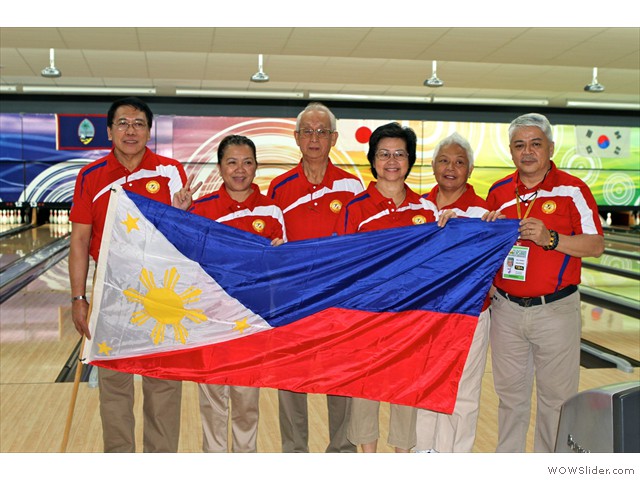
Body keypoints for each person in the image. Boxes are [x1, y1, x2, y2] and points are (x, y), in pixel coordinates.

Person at [69, 97, 200, 452]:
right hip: (113, 292)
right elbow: (80, 241)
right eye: (123, 123)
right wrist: (79, 299)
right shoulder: (90, 176)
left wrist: (184, 215)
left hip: (163, 295)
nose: (131, 130)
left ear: (149, 131)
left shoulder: (171, 172)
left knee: (163, 389)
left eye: (139, 123)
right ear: (110, 131)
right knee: (115, 389)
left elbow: (184, 238)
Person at [486, 113, 604, 452]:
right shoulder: (498, 192)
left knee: (557, 402)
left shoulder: (572, 189)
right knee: (510, 401)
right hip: (506, 310)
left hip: (554, 309)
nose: (527, 151)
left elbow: (595, 244)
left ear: (550, 148)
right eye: (519, 145)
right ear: (510, 151)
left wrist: (551, 238)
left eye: (535, 144)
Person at [339, 122, 455, 453]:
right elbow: (344, 266)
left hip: (410, 320)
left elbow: (435, 266)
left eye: (400, 154)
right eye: (384, 154)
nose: (392, 161)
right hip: (367, 318)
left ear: (410, 159)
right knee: (365, 397)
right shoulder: (355, 208)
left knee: (406, 395)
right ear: (372, 160)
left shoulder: (427, 209)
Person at [267, 102, 364, 453]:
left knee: (341, 382)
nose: (314, 138)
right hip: (292, 302)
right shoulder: (278, 188)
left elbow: (362, 244)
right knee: (292, 382)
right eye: (307, 131)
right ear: (296, 138)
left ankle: (341, 454)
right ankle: (295, 457)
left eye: (322, 132)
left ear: (334, 138)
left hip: (338, 301)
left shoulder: (352, 186)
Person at [187, 135, 286, 453]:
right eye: (232, 162)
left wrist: (280, 255)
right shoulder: (200, 210)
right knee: (213, 405)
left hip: (251, 322)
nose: (240, 169)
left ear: (256, 167)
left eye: (247, 162)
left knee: (246, 406)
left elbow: (282, 269)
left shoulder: (272, 210)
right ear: (220, 167)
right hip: (211, 321)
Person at [415, 132, 499, 453]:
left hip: (470, 315)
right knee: (426, 387)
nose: (451, 168)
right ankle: (424, 453)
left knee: (463, 391)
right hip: (426, 315)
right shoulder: (418, 207)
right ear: (434, 166)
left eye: (459, 162)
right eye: (444, 161)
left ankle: (456, 458)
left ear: (470, 170)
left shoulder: (484, 213)